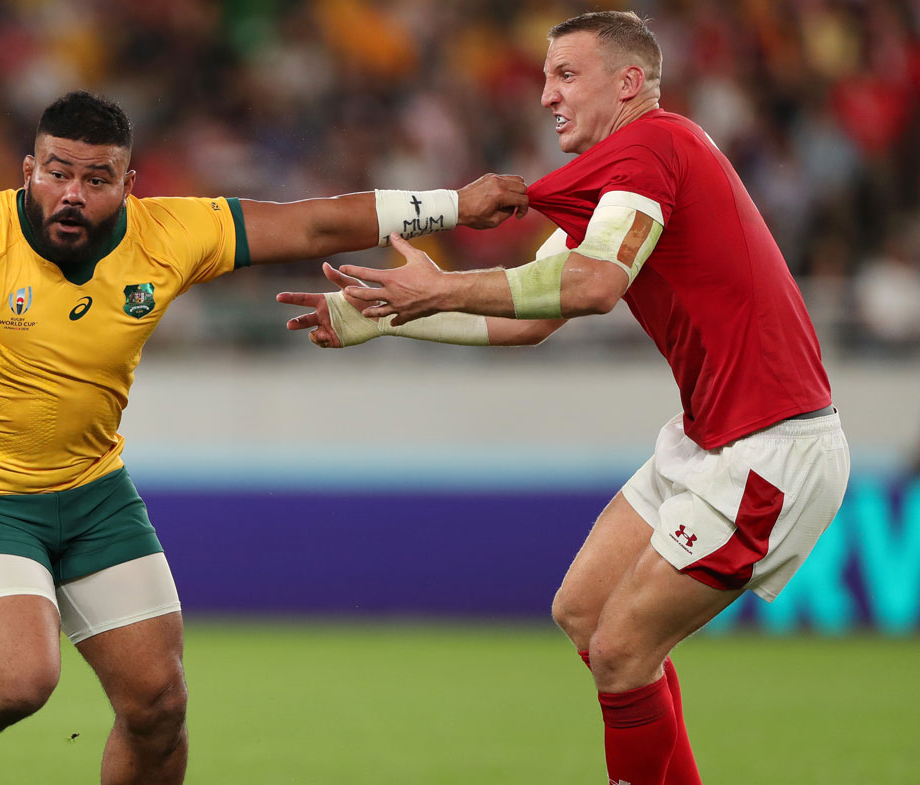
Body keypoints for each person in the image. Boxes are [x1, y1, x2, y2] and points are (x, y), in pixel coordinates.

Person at [0, 90, 527, 785]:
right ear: (28, 171)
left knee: (158, 706)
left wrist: (455, 204)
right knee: (21, 678)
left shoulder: (167, 234)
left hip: (94, 494)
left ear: (127, 185)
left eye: (96, 179)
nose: (73, 193)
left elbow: (311, 224)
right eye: (57, 171)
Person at [279, 12, 850, 785]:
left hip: (769, 449)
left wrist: (441, 283)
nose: (545, 94)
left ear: (629, 83)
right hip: (709, 438)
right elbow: (531, 322)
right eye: (545, 76)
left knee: (621, 653)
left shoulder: (654, 147)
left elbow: (594, 284)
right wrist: (388, 318)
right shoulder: (626, 174)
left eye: (566, 76)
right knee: (584, 612)